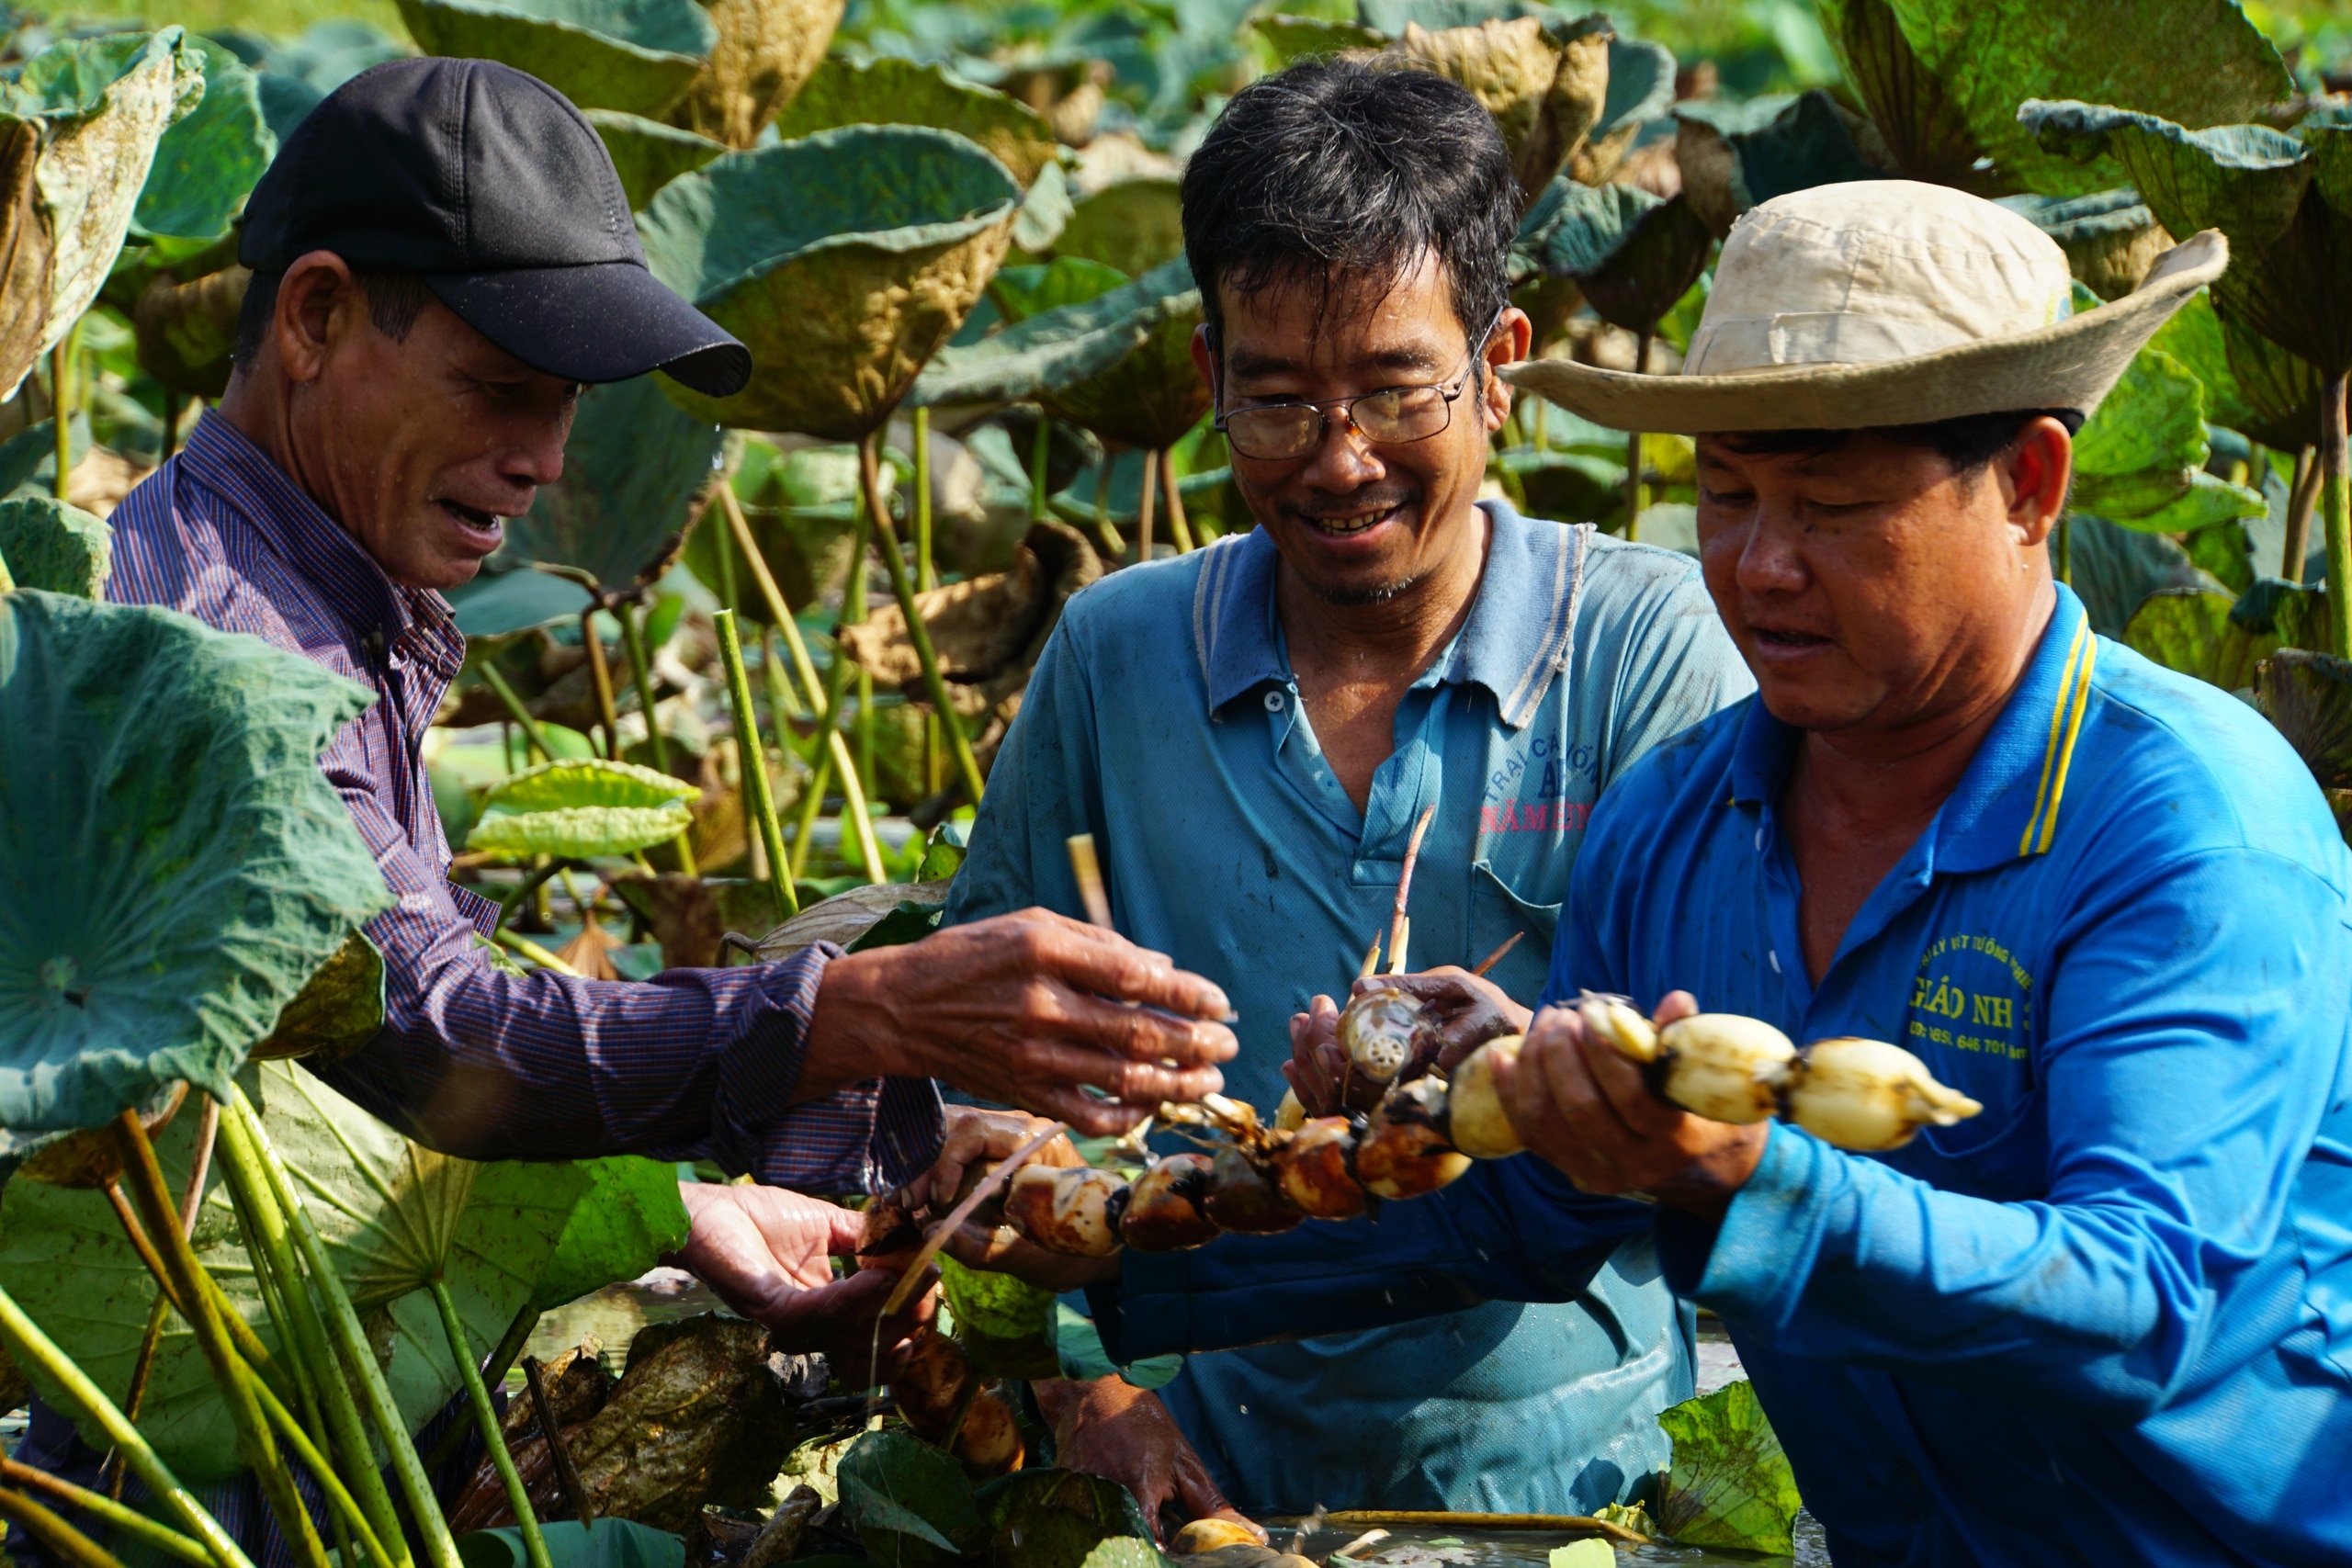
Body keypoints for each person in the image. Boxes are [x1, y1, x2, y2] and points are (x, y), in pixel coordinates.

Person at [28, 56, 1238, 1568]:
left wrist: (679, 1210)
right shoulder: (220, 646)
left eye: (566, 407)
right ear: (318, 316)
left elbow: (362, 1081)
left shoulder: (319, 588)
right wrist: (858, 1011)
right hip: (203, 1483)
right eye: (499, 389)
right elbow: (441, 1028)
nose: (541, 464)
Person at [1050, 184, 2352, 1564]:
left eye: (1834, 508)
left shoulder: (2186, 826)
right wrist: (1098, 1258)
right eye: (1723, 494)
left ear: (2029, 485)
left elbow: (2141, 1301)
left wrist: (1746, 1176)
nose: (1760, 566)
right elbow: (1527, 1222)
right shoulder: (1679, 818)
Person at [936, 59, 1755, 1531]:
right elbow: (982, 1081)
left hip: (1571, 1493)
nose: (1341, 461)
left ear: (1501, 362)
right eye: (1277, 403)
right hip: (1191, 1476)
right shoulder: (1118, 658)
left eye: (1395, 391)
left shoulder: (1650, 648)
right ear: (1206, 381)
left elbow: (1711, 1108)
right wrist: (1082, 1394)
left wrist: (1524, 1078)